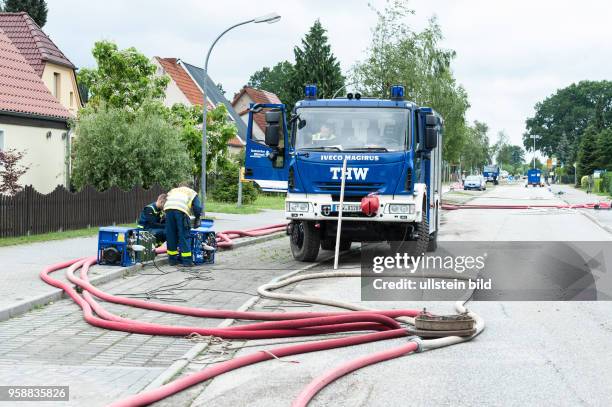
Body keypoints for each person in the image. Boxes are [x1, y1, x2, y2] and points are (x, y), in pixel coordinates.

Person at [163, 183, 202, 267]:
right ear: (188, 187)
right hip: (181, 211)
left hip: (168, 210)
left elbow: (166, 200)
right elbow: (198, 208)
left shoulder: (173, 190)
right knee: (184, 235)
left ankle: (172, 260)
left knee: (171, 235)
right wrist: (197, 217)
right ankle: (187, 261)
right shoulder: (192, 192)